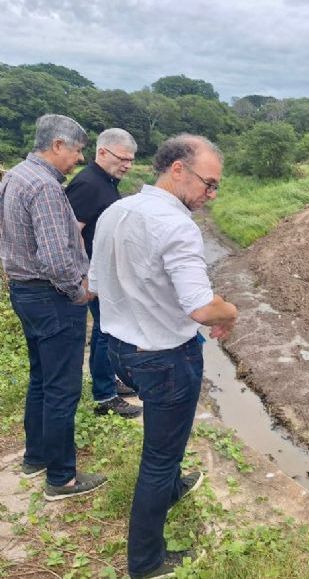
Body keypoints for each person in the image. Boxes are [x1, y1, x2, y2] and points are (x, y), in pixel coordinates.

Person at [90, 134, 237, 579]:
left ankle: (172, 487)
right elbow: (201, 306)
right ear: (177, 170)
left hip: (120, 351)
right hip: (165, 357)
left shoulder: (116, 212)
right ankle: (146, 562)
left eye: (215, 188)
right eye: (207, 184)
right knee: (159, 457)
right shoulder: (176, 225)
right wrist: (231, 310)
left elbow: (93, 283)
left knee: (163, 441)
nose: (210, 196)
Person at [0, 114, 107, 500]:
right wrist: (78, 291)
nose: (79, 158)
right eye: (78, 150)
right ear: (58, 145)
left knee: (42, 378)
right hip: (52, 297)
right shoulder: (44, 186)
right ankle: (62, 479)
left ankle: (37, 457)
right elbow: (55, 258)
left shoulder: (15, 175)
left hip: (25, 292)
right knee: (62, 388)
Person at [65, 128, 142, 419]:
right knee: (104, 332)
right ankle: (104, 396)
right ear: (102, 153)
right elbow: (71, 235)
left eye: (131, 160)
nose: (128, 165)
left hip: (105, 273)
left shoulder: (106, 180)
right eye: (123, 158)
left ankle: (108, 380)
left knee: (107, 331)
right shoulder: (88, 184)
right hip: (94, 276)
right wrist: (84, 277)